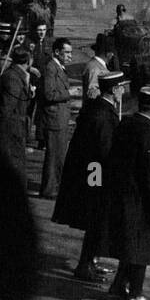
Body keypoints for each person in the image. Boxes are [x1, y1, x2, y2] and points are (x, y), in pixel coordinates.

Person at [55, 71, 126, 281]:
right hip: (95, 177)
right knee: (96, 221)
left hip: (89, 175)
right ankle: (84, 266)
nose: (123, 91)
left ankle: (91, 261)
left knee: (95, 222)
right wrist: (102, 184)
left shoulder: (98, 109)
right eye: (121, 87)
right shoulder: (104, 116)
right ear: (114, 90)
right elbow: (103, 152)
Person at [107, 86, 150, 300]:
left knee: (129, 243)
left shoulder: (126, 124)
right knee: (142, 246)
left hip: (122, 194)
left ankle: (118, 285)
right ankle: (136, 293)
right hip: (140, 200)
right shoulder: (148, 134)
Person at [37, 38, 75, 199]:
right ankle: (49, 190)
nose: (70, 56)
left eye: (70, 52)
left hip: (60, 118)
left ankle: (54, 187)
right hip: (54, 119)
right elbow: (49, 94)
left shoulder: (58, 67)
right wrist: (70, 93)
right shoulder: (51, 68)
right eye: (66, 52)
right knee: (54, 156)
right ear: (57, 52)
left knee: (59, 155)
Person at [0, 48, 35, 184]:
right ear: (28, 61)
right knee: (16, 163)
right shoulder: (12, 77)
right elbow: (8, 107)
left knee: (19, 162)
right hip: (12, 129)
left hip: (18, 127)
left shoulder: (20, 75)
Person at [83, 33, 114, 103]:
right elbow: (92, 93)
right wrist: (111, 90)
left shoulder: (97, 65)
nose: (112, 55)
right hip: (96, 110)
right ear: (107, 53)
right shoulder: (94, 68)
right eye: (111, 52)